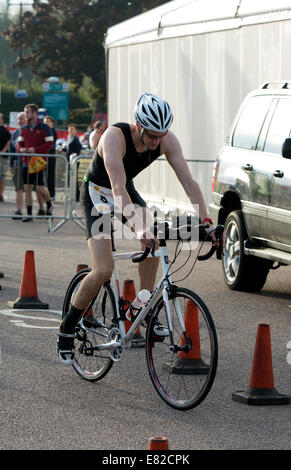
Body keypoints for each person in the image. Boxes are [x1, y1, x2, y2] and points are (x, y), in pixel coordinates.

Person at [57, 92, 218, 364]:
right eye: (151, 135)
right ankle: (67, 327)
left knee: (154, 242)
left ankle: (141, 307)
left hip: (125, 192)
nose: (156, 142)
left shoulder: (166, 140)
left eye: (161, 135)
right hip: (98, 193)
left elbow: (188, 183)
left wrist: (207, 223)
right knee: (104, 269)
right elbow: (116, 189)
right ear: (138, 125)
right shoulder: (113, 137)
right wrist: (137, 226)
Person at [17, 103, 54, 222]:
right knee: (27, 188)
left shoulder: (44, 127)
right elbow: (19, 144)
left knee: (40, 188)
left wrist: (36, 150)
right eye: (25, 112)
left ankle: (49, 205)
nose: (26, 114)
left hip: (39, 162)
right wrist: (21, 149)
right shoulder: (23, 129)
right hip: (26, 162)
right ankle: (29, 214)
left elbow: (50, 143)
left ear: (34, 113)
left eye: (28, 112)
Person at [9, 112, 27, 218]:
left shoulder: (30, 131)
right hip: (18, 165)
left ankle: (43, 208)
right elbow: (12, 149)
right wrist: (11, 164)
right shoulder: (15, 133)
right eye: (18, 119)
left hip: (31, 165)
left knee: (38, 189)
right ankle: (19, 211)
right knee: (19, 189)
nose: (19, 121)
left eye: (21, 119)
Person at [43, 115, 58, 203]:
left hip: (51, 157)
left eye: (48, 121)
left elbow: (50, 144)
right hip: (44, 157)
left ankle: (52, 194)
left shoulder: (52, 132)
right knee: (43, 177)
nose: (46, 123)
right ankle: (45, 194)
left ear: (52, 123)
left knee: (50, 176)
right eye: (45, 121)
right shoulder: (45, 131)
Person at [0, 113, 12, 202]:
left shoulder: (5, 131)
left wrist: (2, 152)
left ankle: (0, 194)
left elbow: (8, 143)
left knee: (2, 176)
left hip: (2, 157)